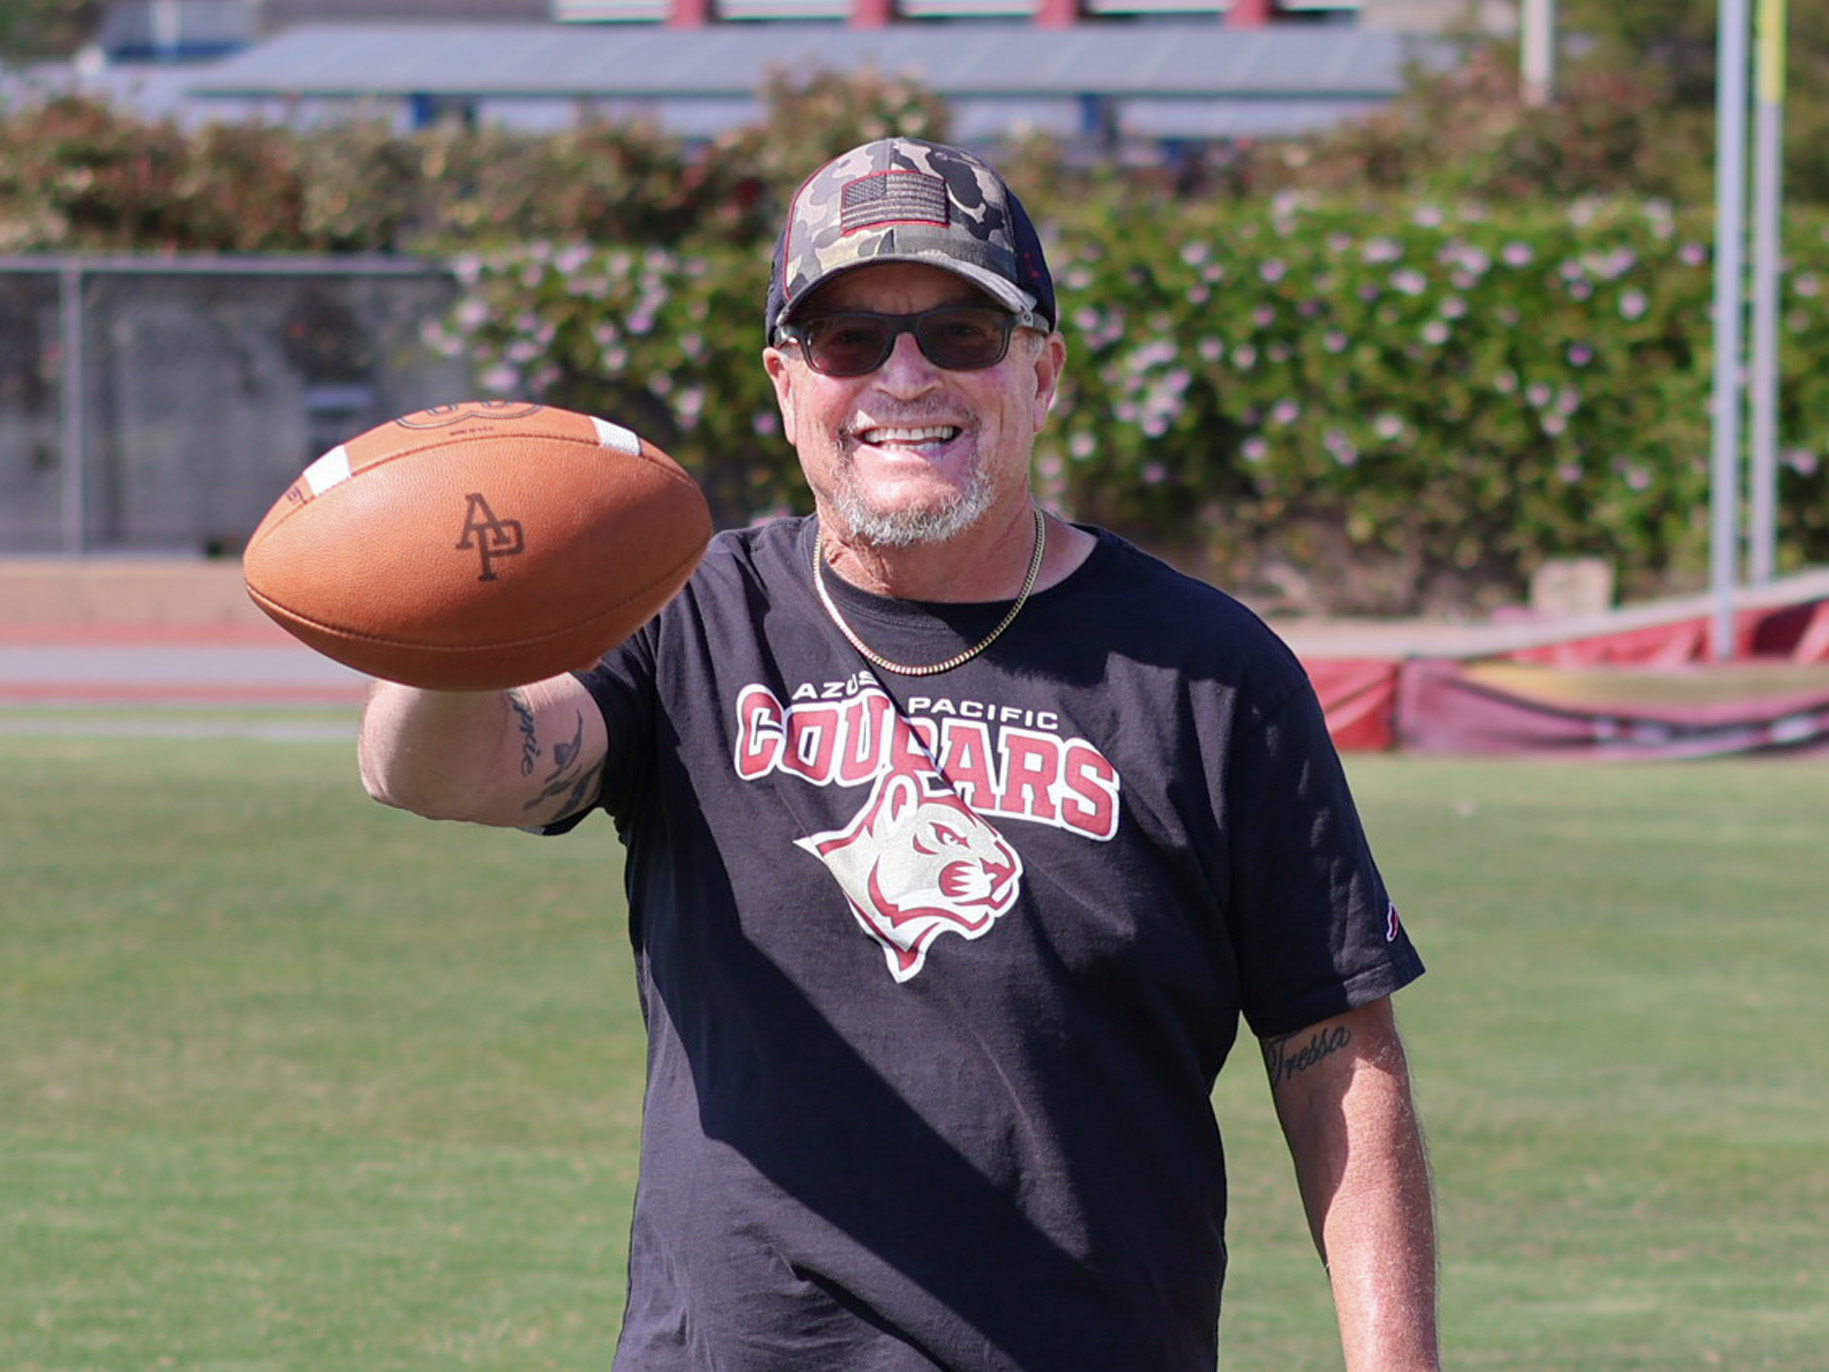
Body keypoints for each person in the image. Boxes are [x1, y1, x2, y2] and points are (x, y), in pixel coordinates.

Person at [359, 137, 1439, 1371]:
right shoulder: (693, 617)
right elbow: (442, 773)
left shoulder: (1208, 668)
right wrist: (447, 625)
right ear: (784, 381)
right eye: (847, 340)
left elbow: (1333, 1051)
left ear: (1043, 371)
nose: (903, 375)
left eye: (961, 333)